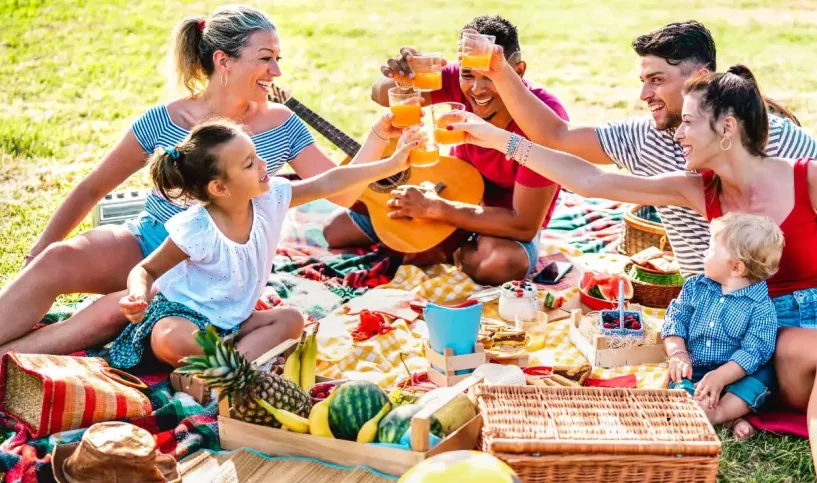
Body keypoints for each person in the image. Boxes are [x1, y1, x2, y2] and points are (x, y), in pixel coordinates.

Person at [448, 66, 817, 483]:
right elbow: (590, 181)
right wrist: (500, 140)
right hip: (796, 346)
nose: (678, 133)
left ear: (728, 128)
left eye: (689, 122)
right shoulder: (697, 189)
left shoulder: (808, 176)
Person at [471, 20, 817, 427]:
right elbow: (572, 157)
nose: (644, 94)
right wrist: (500, 117)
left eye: (656, 80)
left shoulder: (770, 138)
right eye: (642, 80)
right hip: (735, 283)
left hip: (808, 267)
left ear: (707, 90)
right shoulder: (657, 149)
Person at [0, 5, 366, 357]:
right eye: (265, 58)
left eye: (277, 59)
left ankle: (8, 360)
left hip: (210, 277)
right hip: (151, 242)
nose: (276, 72)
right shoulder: (165, 119)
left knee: (112, 312)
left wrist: (383, 137)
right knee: (56, 259)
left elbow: (342, 190)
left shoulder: (282, 124)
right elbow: (92, 188)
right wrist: (35, 257)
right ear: (223, 60)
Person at [109, 118, 422, 368]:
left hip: (234, 324)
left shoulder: (271, 199)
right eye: (248, 164)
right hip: (186, 319)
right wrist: (137, 294)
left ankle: (224, 375)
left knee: (291, 319)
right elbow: (145, 271)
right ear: (219, 187)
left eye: (256, 154)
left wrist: (390, 166)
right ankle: (242, 368)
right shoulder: (197, 229)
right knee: (168, 338)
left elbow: (330, 181)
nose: (263, 165)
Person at [322, 15, 568, 286]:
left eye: (489, 76)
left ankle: (445, 249)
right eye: (468, 75)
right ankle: (435, 243)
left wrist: (435, 209)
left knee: (502, 264)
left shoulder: (543, 119)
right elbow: (380, 95)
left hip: (501, 222)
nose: (476, 89)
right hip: (451, 188)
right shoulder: (454, 79)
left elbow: (524, 224)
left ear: (518, 71)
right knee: (336, 231)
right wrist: (402, 80)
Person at [664, 213, 783, 441]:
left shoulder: (761, 307)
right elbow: (675, 320)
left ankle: (720, 413)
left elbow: (753, 352)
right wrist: (678, 354)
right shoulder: (695, 287)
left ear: (736, 267)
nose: (704, 253)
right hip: (695, 365)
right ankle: (699, 405)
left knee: (762, 377)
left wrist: (721, 376)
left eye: (710, 250)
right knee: (680, 377)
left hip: (736, 373)